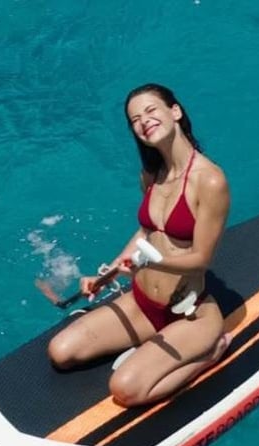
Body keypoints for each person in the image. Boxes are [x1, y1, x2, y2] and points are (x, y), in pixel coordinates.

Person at [47, 83, 231, 407]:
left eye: (150, 111)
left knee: (125, 390)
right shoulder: (151, 176)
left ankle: (209, 354)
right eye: (135, 119)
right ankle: (155, 344)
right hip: (142, 302)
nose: (143, 121)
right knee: (60, 352)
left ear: (175, 111)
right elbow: (147, 232)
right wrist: (108, 273)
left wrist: (150, 262)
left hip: (189, 314)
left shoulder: (210, 180)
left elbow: (201, 259)